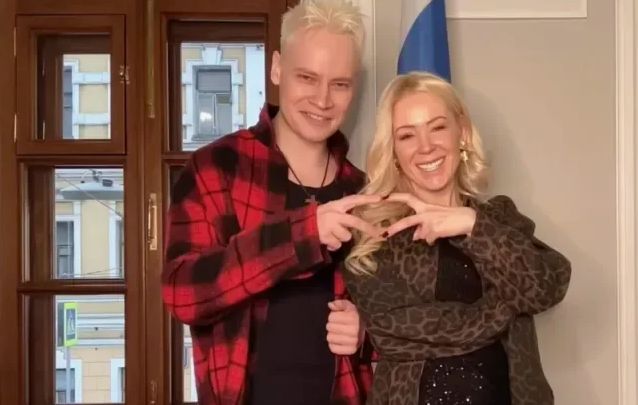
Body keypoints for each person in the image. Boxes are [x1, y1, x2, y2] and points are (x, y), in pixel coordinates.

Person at [162, 1, 381, 404]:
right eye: (307, 78)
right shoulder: (216, 167)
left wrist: (367, 334)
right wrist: (302, 235)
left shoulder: (364, 191)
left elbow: (403, 320)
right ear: (277, 69)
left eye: (340, 84)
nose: (322, 99)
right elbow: (183, 294)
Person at [344, 72, 572, 405]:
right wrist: (508, 306)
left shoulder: (499, 219)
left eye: (437, 127)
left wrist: (473, 225)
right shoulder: (378, 235)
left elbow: (547, 286)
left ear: (461, 132)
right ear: (393, 151)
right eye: (407, 135)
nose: (426, 146)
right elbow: (399, 330)